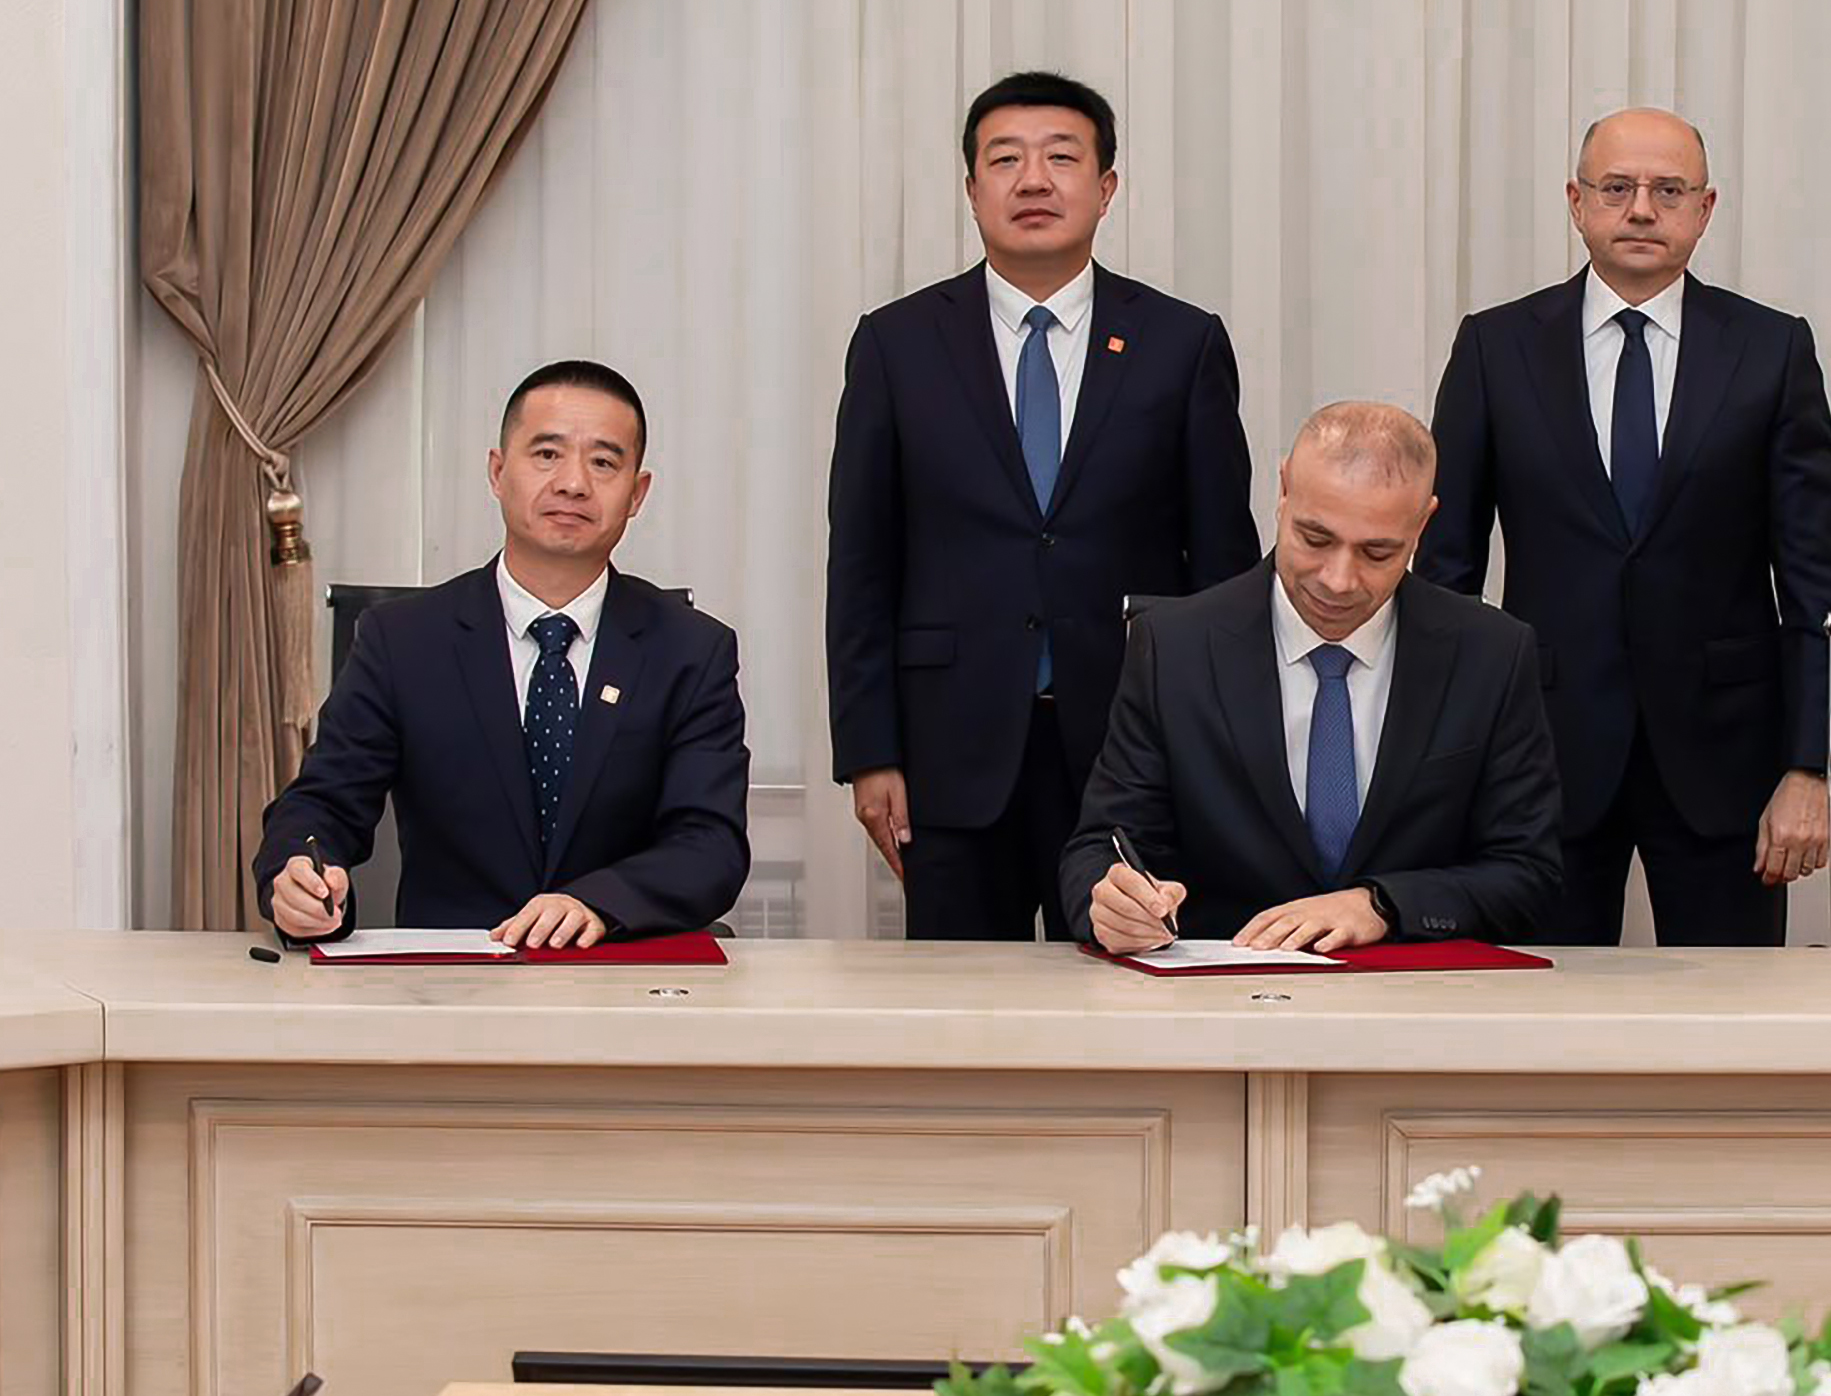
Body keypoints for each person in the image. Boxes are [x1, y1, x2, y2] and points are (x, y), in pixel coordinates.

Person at [828, 71, 1262, 939]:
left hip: (1130, 744)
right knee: (958, 1000)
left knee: (1124, 984)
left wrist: (1216, 747)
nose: (1033, 180)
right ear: (971, 189)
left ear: (1106, 187)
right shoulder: (897, 343)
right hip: (950, 746)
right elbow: (863, 562)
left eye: (1061, 158)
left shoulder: (1181, 343)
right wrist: (869, 751)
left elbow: (1222, 566)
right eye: (1006, 160)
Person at [1420, 108, 1831, 946]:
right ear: (1577, 202)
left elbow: (1819, 579)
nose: (1642, 209)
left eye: (1669, 190)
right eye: (1617, 188)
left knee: (1733, 1009)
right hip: (1541, 750)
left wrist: (1810, 765)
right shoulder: (1496, 347)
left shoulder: (1771, 350)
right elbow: (1446, 572)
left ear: (1706, 207)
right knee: (1542, 1007)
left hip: (1726, 760)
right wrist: (1447, 758)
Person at [254, 361, 749, 947]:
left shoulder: (691, 650)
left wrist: (598, 903)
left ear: (636, 493)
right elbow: (323, 804)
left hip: (620, 969)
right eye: (547, 454)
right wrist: (299, 874)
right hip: (449, 976)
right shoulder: (403, 640)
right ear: (497, 471)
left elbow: (710, 844)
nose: (573, 483)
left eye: (603, 462)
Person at [1064, 402, 1561, 954]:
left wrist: (1383, 905)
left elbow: (1528, 873)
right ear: (1283, 492)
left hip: (1412, 988)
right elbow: (1101, 846)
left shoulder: (1491, 654)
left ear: (1423, 524)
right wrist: (1112, 904)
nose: (1339, 580)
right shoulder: (1174, 647)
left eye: (1378, 552)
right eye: (1315, 539)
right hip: (1223, 987)